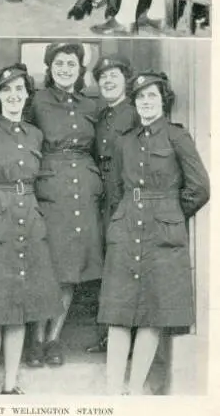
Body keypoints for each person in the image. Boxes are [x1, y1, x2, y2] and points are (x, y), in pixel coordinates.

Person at [0, 42, 104, 367]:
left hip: (83, 191)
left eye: (71, 64)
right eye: (58, 63)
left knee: (71, 270)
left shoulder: (92, 104)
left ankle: (54, 339)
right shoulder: (37, 99)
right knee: (45, 266)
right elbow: (9, 125)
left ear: (80, 68)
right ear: (49, 67)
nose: (64, 69)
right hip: (46, 189)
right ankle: (34, 339)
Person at [99, 72, 209, 395]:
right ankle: (111, 390)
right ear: (133, 103)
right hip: (126, 227)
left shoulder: (177, 137)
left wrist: (170, 215)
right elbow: (116, 190)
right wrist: (122, 220)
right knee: (118, 312)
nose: (146, 103)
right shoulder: (124, 141)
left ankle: (134, 391)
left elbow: (200, 188)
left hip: (162, 235)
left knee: (151, 313)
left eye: (152, 97)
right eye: (140, 97)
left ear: (163, 101)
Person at [0, 64, 62, 394]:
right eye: (6, 90)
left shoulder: (35, 134)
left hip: (28, 220)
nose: (13, 96)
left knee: (20, 304)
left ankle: (11, 384)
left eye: (19, 90)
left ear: (26, 95)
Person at [85, 54, 138, 354]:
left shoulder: (134, 112)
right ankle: (110, 336)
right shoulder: (102, 115)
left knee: (123, 264)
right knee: (106, 263)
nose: (107, 81)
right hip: (102, 195)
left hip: (123, 193)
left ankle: (124, 338)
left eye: (114, 76)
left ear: (126, 81)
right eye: (103, 77)